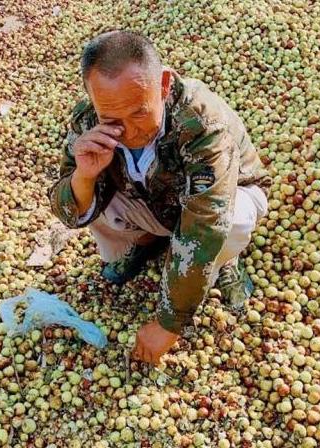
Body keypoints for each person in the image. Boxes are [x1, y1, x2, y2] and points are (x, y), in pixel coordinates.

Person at [48, 30, 270, 364]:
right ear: (93, 99)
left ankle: (226, 260)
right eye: (112, 119)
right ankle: (147, 240)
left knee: (231, 222)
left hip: (222, 199)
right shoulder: (89, 122)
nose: (130, 131)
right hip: (156, 201)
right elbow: (68, 211)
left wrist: (169, 323)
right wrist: (84, 175)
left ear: (164, 85)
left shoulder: (201, 121)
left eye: (139, 112)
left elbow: (206, 223)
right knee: (91, 187)